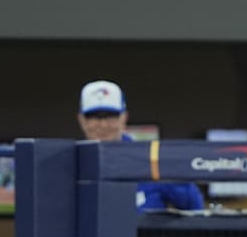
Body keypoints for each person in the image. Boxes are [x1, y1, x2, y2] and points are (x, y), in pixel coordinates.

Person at [78, 80, 205, 211]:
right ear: (81, 120)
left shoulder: (149, 159)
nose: (103, 125)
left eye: (111, 116)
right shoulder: (72, 163)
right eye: (94, 117)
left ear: (124, 117)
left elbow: (194, 207)